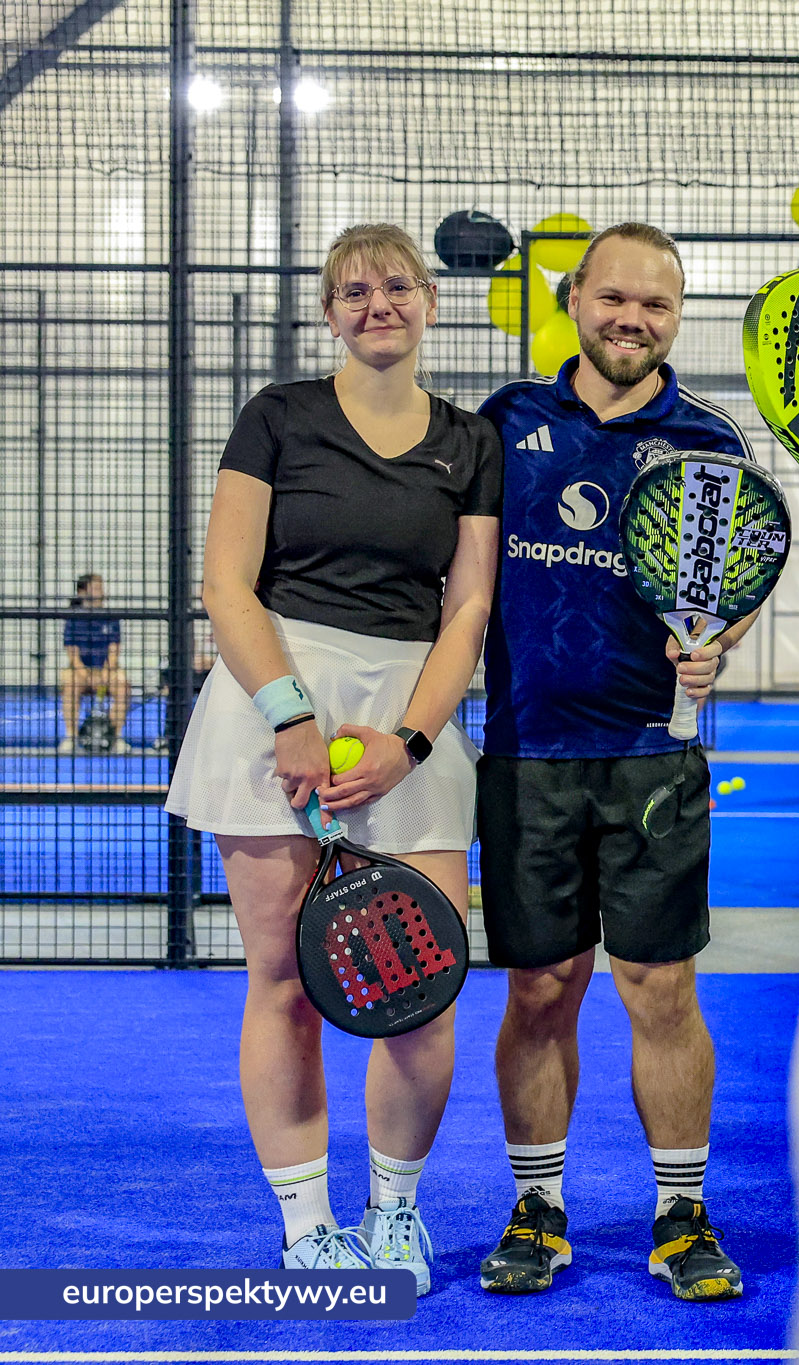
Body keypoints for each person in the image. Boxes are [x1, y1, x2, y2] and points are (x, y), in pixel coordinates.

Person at [165, 224, 500, 1287]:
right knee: (284, 984)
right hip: (270, 705)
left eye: (396, 285)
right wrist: (289, 715)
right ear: (328, 313)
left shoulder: (470, 442)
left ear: (429, 300)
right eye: (353, 291)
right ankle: (308, 1226)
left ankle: (394, 1212)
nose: (377, 304)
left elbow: (468, 608)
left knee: (422, 984)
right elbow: (226, 583)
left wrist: (411, 741)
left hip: (409, 712)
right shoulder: (278, 416)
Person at [475, 221, 754, 1303]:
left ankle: (681, 1215)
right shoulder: (505, 423)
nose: (632, 319)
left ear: (676, 318)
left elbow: (727, 587)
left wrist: (717, 643)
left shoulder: (705, 440)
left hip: (651, 759)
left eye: (656, 304)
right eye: (614, 298)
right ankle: (537, 1208)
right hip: (526, 755)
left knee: (661, 988)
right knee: (541, 987)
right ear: (574, 300)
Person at [59, 572, 130, 754]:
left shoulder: (110, 616)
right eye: (96, 588)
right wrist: (86, 675)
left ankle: (115, 737)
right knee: (70, 682)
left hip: (106, 669)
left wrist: (106, 673)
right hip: (81, 670)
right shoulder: (73, 618)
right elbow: (72, 654)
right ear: (82, 592)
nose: (101, 592)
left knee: (122, 683)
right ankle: (71, 737)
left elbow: (114, 650)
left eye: (101, 588)